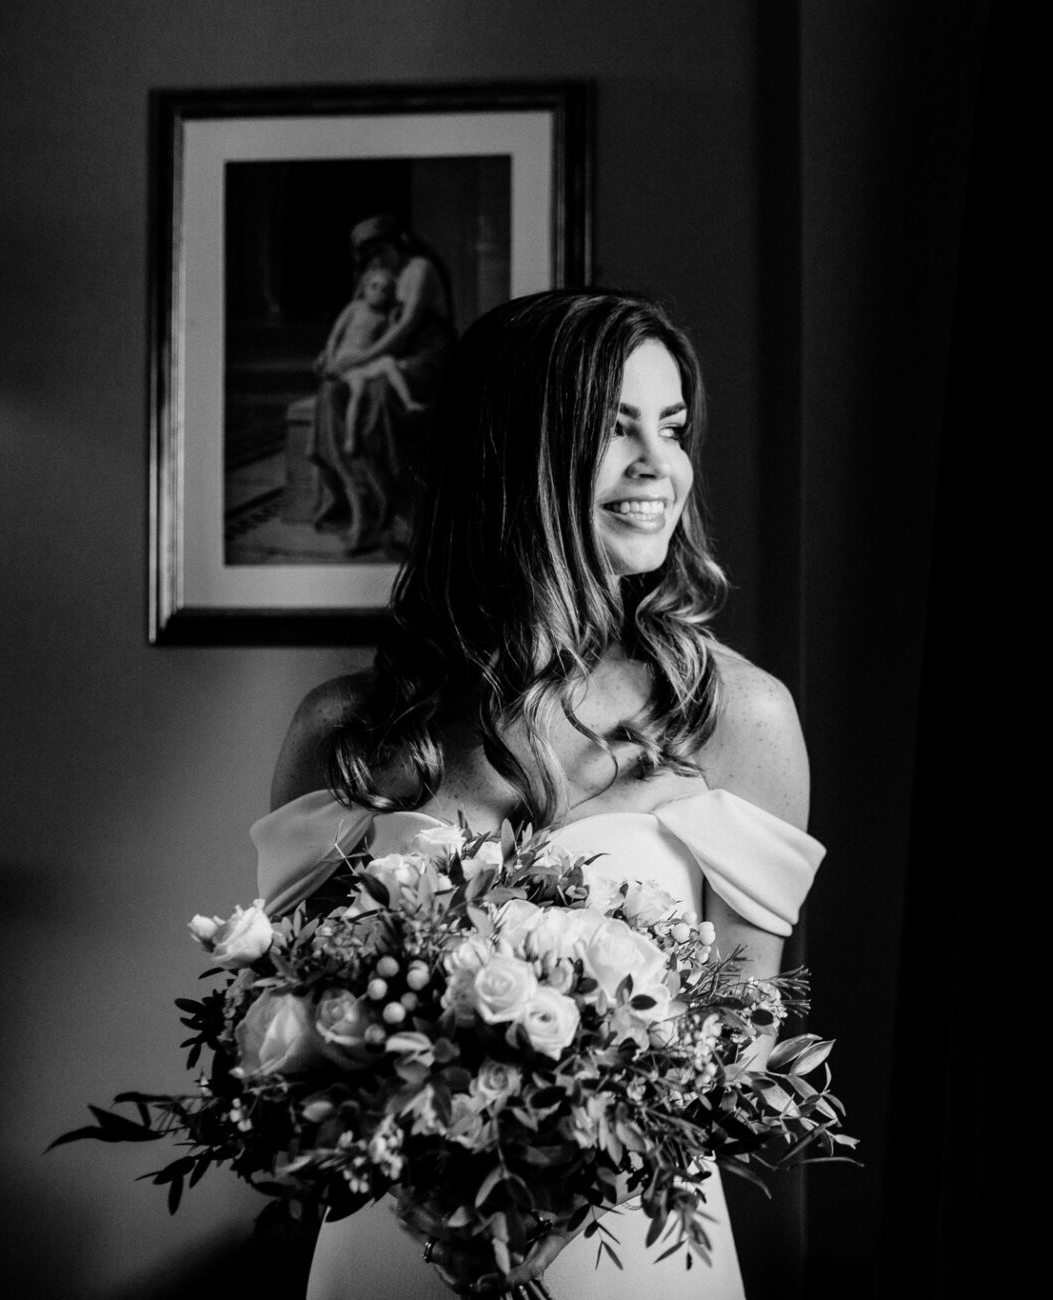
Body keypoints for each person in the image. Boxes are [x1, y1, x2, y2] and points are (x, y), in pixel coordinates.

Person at [256, 289, 823, 1299]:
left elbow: (746, 1052)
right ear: (515, 454)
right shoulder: (345, 733)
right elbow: (279, 1041)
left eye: (673, 429)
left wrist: (574, 1159)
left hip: (631, 1260)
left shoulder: (742, 721)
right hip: (395, 1250)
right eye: (616, 431)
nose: (661, 466)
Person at [309, 214, 458, 556]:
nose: (375, 262)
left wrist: (357, 361)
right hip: (391, 355)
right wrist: (336, 358)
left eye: (379, 252)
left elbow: (406, 329)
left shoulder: (419, 268)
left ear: (397, 243)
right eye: (369, 256)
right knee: (332, 392)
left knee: (379, 397)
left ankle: (398, 506)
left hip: (427, 356)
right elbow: (359, 325)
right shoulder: (382, 277)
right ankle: (359, 497)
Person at [317, 264, 424, 455]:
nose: (378, 293)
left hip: (364, 361)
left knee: (389, 364)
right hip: (347, 360)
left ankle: (408, 402)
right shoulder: (354, 308)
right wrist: (331, 359)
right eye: (374, 287)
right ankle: (351, 438)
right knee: (356, 394)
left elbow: (387, 344)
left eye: (384, 290)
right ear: (365, 288)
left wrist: (392, 319)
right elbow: (335, 334)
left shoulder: (382, 317)